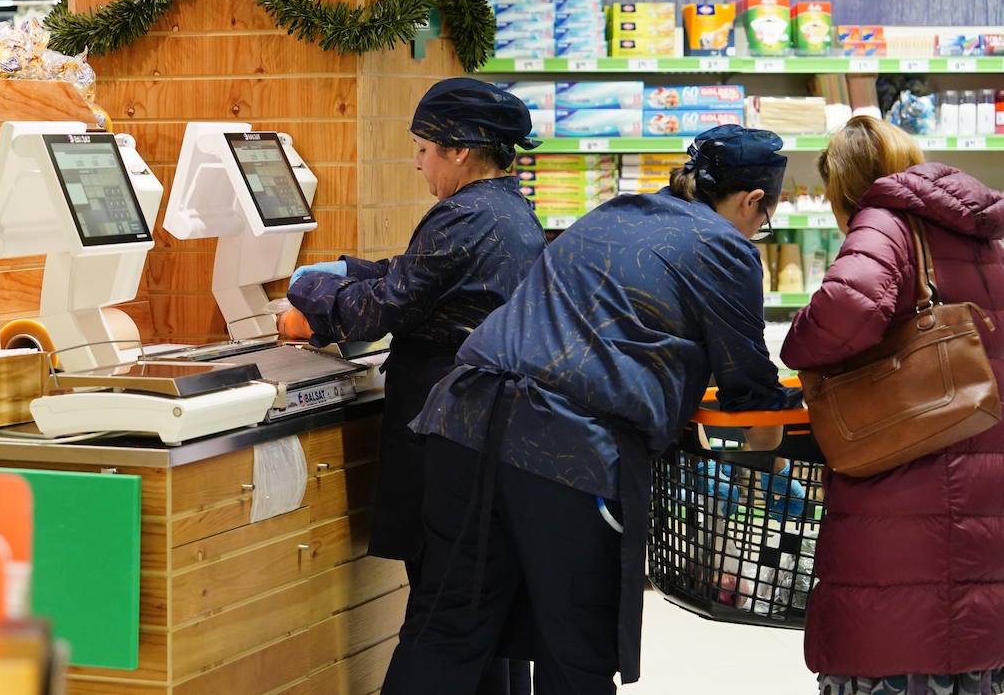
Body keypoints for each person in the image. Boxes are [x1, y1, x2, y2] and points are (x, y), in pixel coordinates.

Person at [381, 124, 803, 694]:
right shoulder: (724, 247)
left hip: (464, 416)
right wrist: (779, 432)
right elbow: (747, 384)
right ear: (754, 199)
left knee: (446, 626)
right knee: (575, 646)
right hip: (569, 449)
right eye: (763, 216)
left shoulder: (615, 211)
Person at [286, 76, 545, 695]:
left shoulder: (466, 214)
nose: (417, 162)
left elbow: (377, 311)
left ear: (459, 150)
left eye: (424, 148)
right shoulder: (507, 207)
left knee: (442, 612)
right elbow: (422, 276)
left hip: (452, 430)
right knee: (481, 616)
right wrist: (352, 268)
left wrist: (310, 290)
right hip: (489, 431)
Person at [779, 115, 1004, 695]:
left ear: (845, 185)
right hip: (983, 458)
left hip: (908, 466)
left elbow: (846, 310)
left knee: (901, 623)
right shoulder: (979, 233)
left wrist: (795, 342)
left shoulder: (882, 220)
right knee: (972, 628)